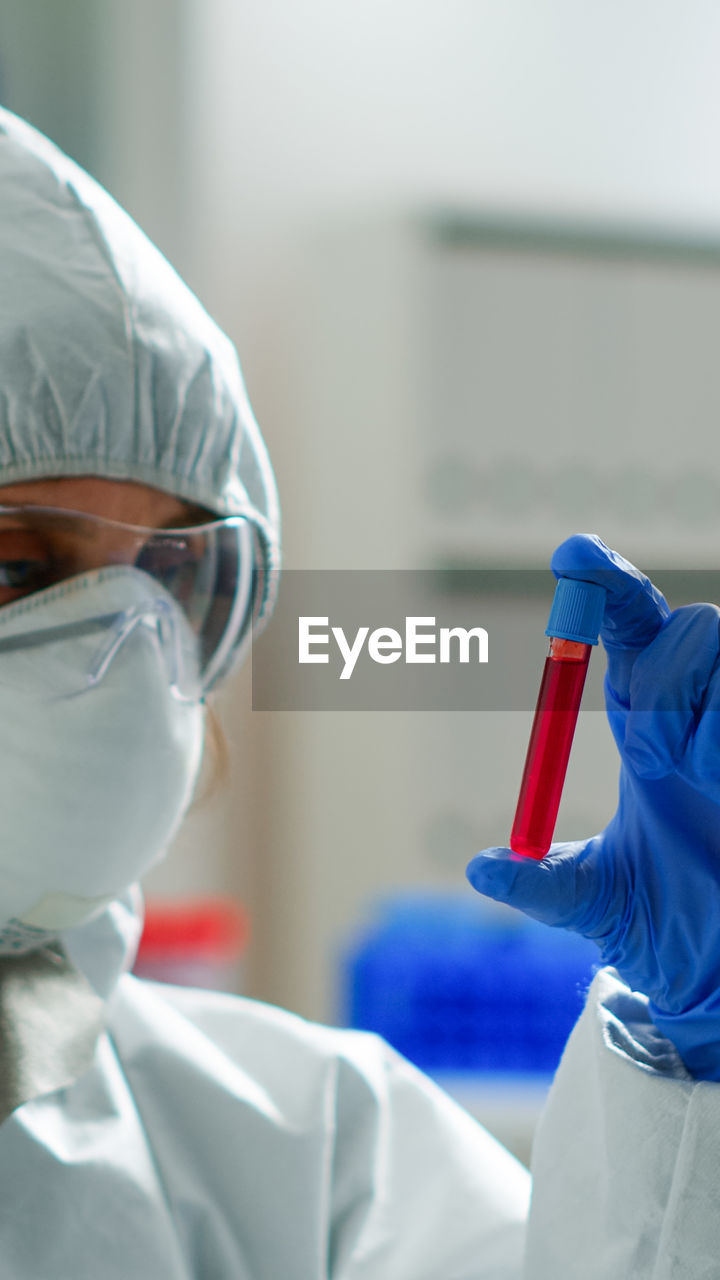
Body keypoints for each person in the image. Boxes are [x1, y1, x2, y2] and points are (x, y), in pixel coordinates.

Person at [0, 105, 717, 1280]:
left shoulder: (310, 1155)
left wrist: (693, 1074)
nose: (124, 661)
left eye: (175, 576)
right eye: (16, 565)